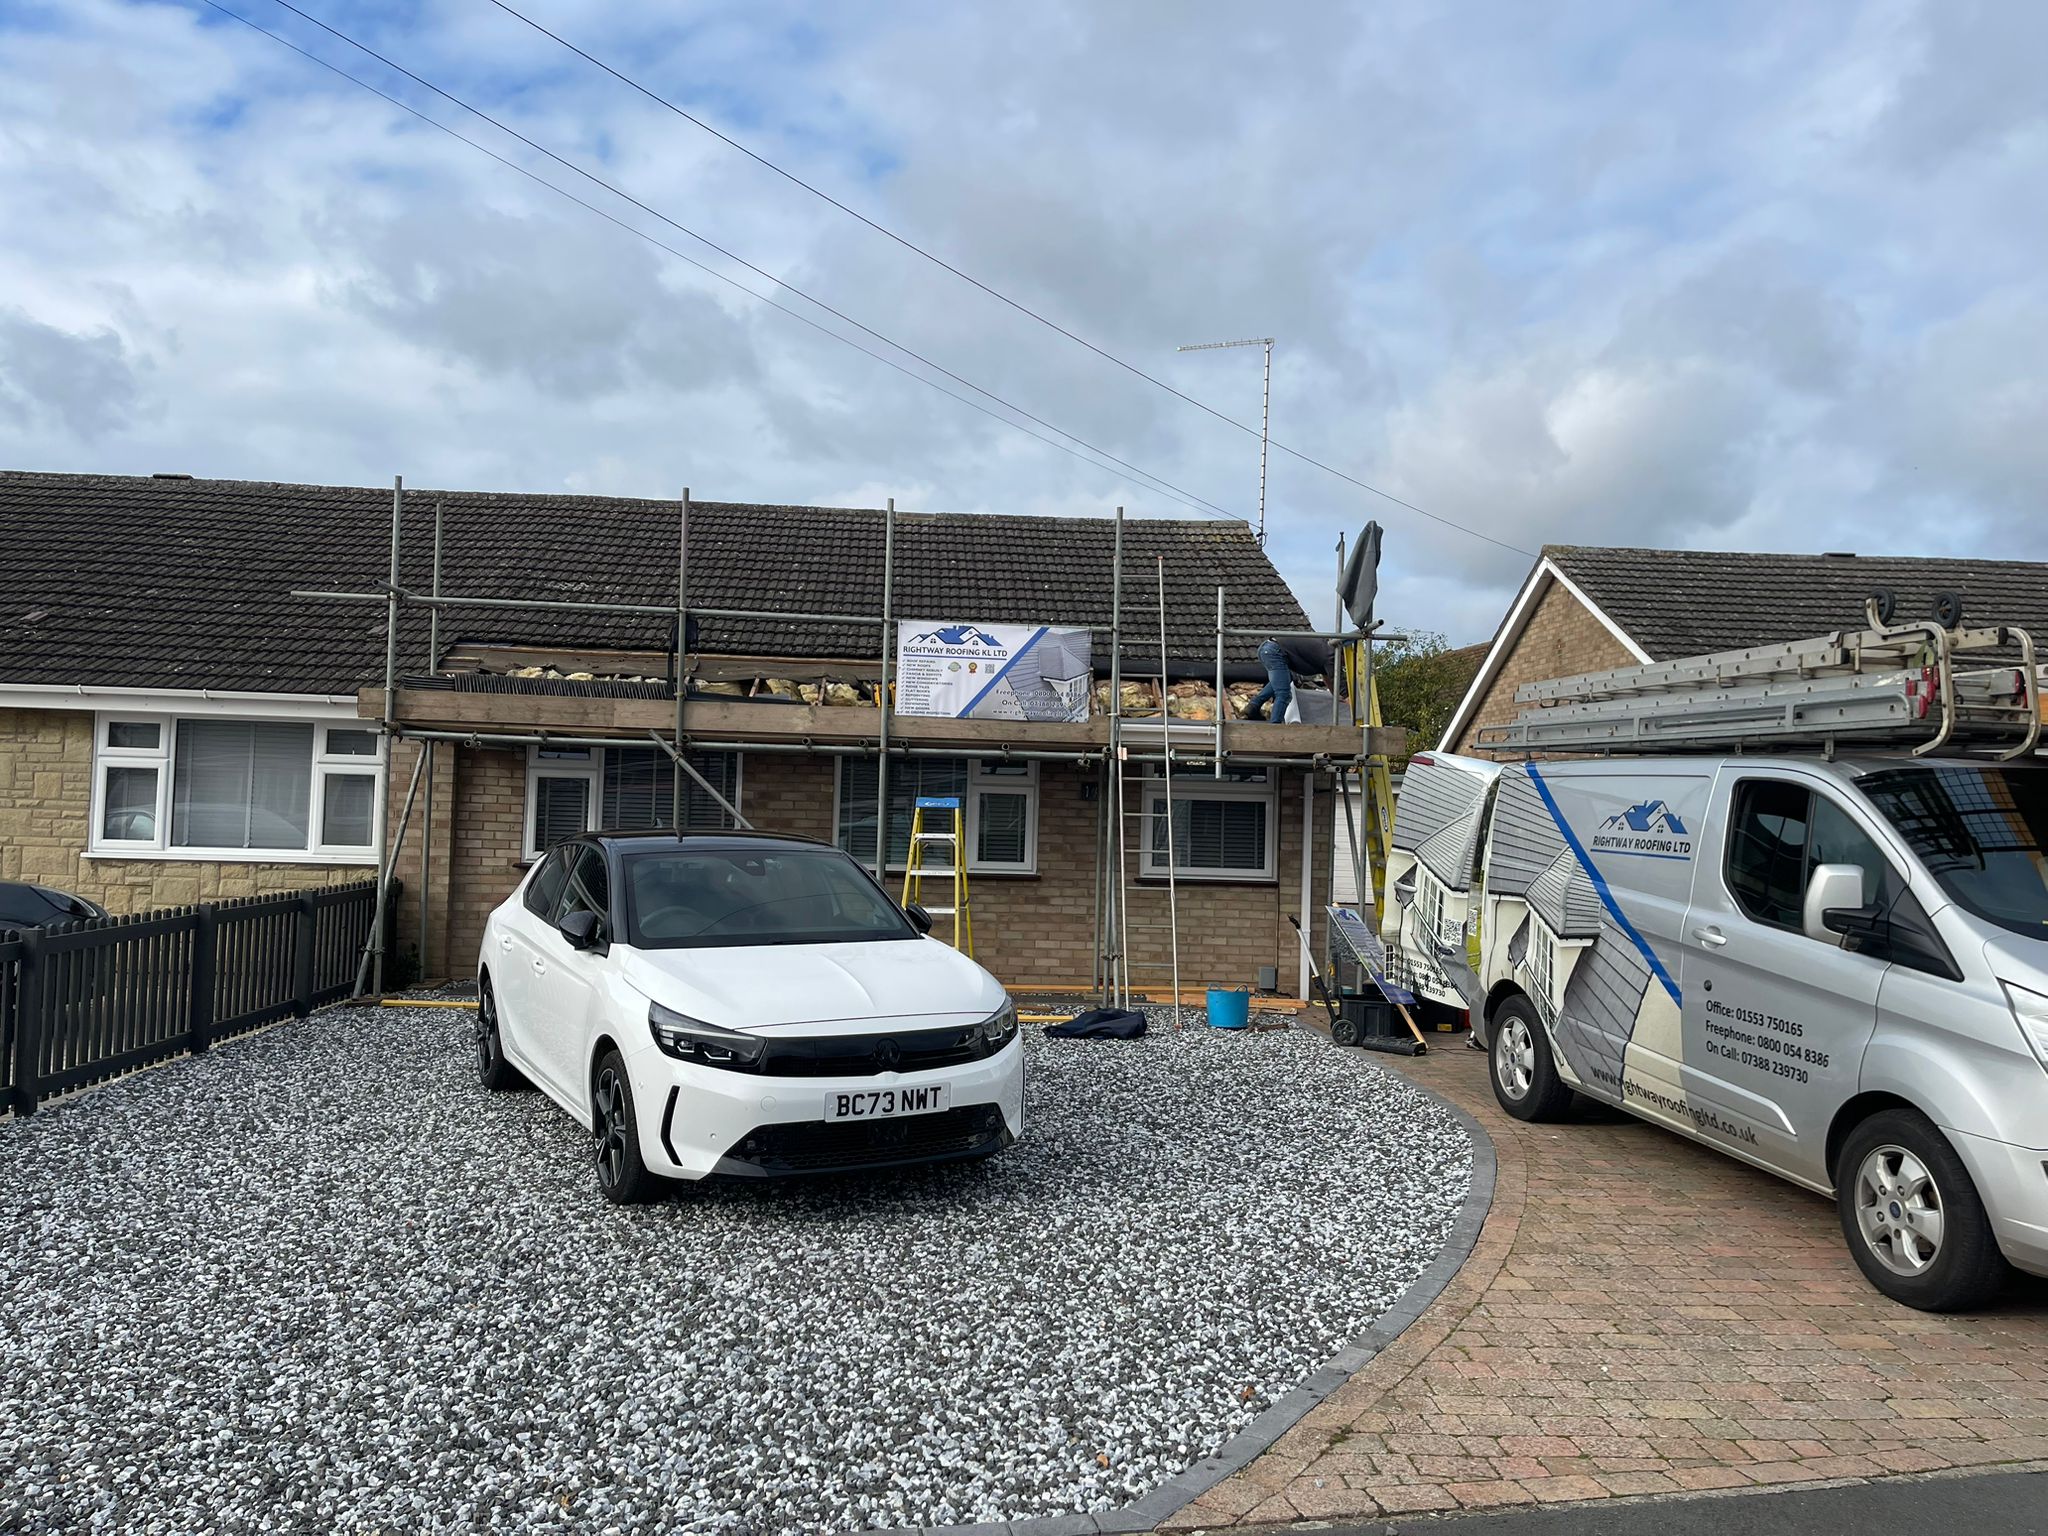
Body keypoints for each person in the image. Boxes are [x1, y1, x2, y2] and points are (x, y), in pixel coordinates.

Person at [1245, 633, 1332, 720]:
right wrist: (1344, 696)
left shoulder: (1327, 656)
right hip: (1274, 651)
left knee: (1285, 680)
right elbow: (1341, 688)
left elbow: (1327, 677)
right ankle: (1274, 728)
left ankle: (1254, 706)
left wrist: (1335, 696)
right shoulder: (1329, 656)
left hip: (1271, 648)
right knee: (1283, 693)